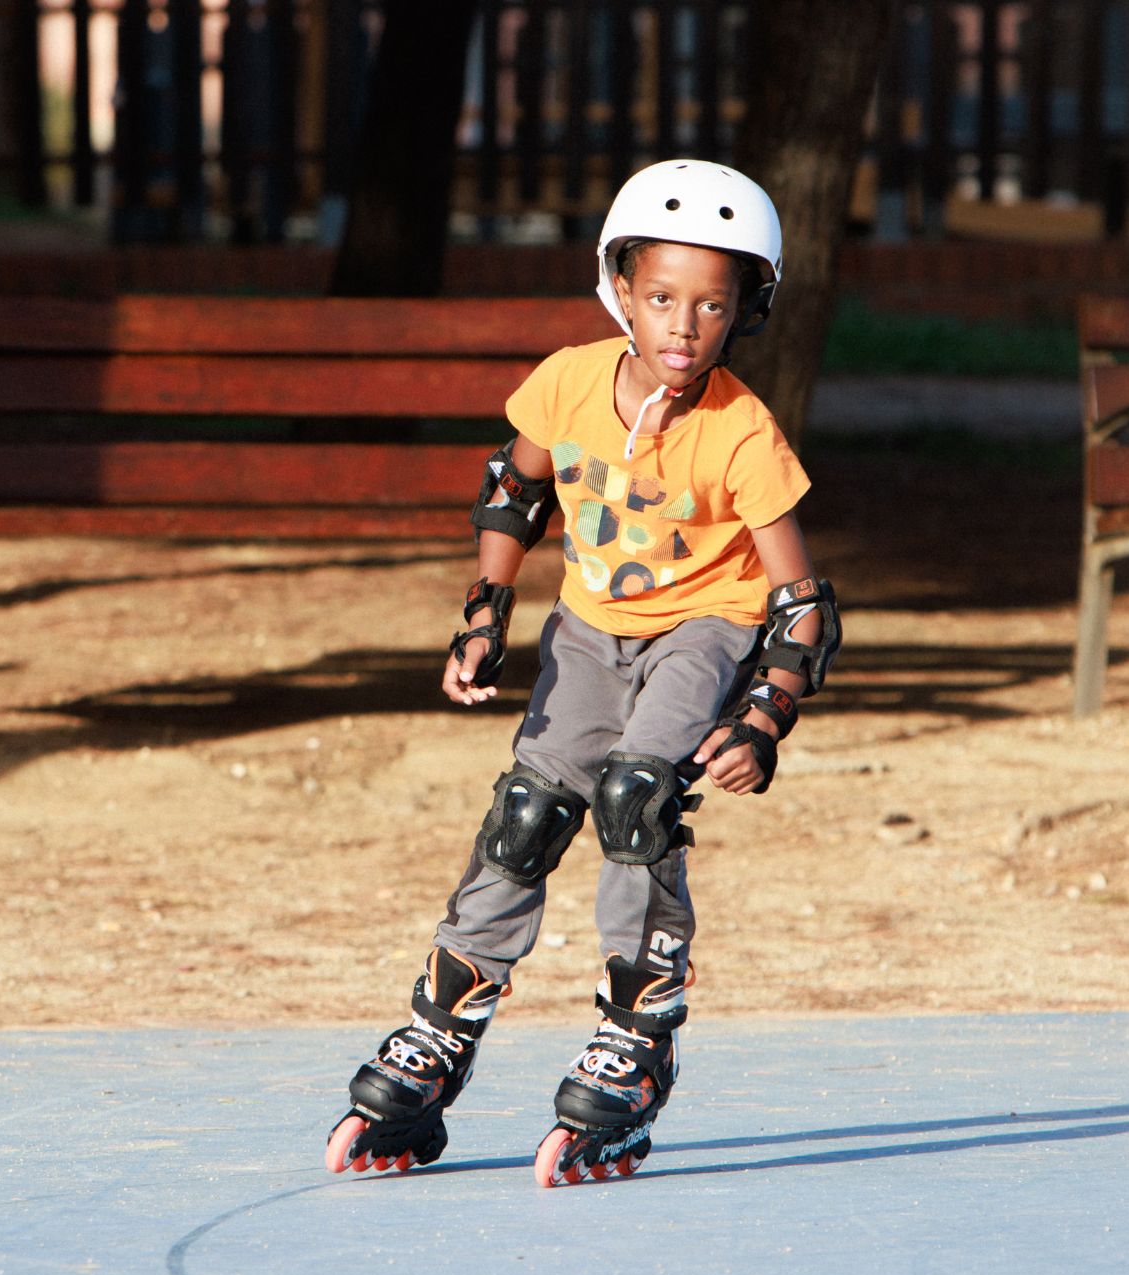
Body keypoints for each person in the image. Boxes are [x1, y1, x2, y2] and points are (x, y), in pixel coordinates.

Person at [324, 160, 841, 1188]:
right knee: (525, 813)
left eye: (710, 304)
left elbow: (801, 603)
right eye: (660, 298)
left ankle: (635, 1042)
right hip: (585, 626)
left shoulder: (740, 431)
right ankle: (440, 1029)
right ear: (618, 289)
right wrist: (484, 613)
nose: (682, 325)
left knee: (635, 798)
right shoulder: (565, 381)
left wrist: (761, 718)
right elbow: (514, 491)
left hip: (702, 624)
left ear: (746, 312)